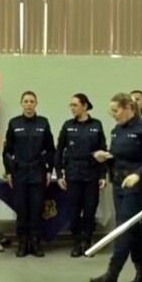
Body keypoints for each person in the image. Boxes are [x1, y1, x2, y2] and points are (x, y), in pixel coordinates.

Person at [89, 93, 142, 282]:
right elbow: (120, 156)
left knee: (123, 228)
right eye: (110, 111)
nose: (113, 115)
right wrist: (106, 157)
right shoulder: (116, 131)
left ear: (129, 107)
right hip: (119, 184)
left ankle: (112, 274)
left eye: (116, 110)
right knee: (132, 229)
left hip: (138, 186)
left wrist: (138, 174)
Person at [3, 91, 56, 257]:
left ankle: (35, 243)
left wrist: (48, 170)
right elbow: (7, 151)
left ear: (36, 103)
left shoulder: (43, 123)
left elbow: (50, 150)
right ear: (21, 104)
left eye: (32, 101)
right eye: (25, 101)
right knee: (22, 210)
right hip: (20, 173)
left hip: (37, 173)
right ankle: (22, 243)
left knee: (36, 209)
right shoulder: (14, 123)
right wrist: (9, 172)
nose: (28, 104)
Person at [55, 93, 107, 257]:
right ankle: (76, 242)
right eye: (71, 105)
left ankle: (88, 240)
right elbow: (59, 151)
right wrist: (59, 174)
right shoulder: (68, 126)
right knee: (73, 211)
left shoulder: (96, 125)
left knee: (90, 210)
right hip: (73, 174)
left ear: (85, 106)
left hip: (91, 174)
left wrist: (103, 176)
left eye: (75, 105)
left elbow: (103, 151)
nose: (72, 108)